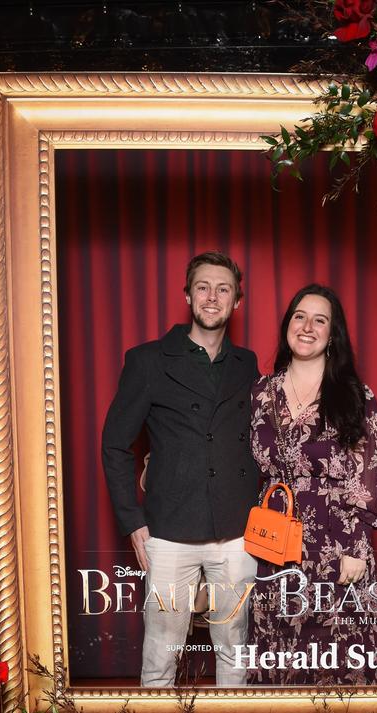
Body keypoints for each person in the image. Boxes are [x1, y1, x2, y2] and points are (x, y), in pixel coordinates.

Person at [102, 251, 258, 687]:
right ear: (187, 295)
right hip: (168, 533)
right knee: (161, 653)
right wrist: (133, 523)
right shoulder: (148, 360)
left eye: (223, 289)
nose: (213, 297)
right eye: (203, 287)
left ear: (237, 301)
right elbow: (115, 444)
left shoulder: (247, 364)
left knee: (234, 647)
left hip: (237, 532)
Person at [248, 284, 377, 686]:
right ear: (287, 326)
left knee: (339, 656)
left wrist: (357, 549)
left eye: (320, 320)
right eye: (299, 316)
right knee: (277, 649)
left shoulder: (355, 396)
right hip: (274, 544)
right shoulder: (261, 393)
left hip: (337, 545)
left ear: (333, 334)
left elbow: (367, 474)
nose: (307, 327)